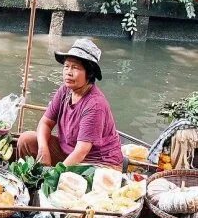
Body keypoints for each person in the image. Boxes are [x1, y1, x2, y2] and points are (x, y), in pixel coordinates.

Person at [17, 38, 123, 169]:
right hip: (68, 152)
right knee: (26, 140)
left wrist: (53, 174)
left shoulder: (95, 105)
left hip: (96, 163)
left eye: (75, 67)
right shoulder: (65, 91)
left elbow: (81, 151)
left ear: (89, 74)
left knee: (66, 183)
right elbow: (45, 122)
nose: (68, 72)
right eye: (66, 66)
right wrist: (43, 149)